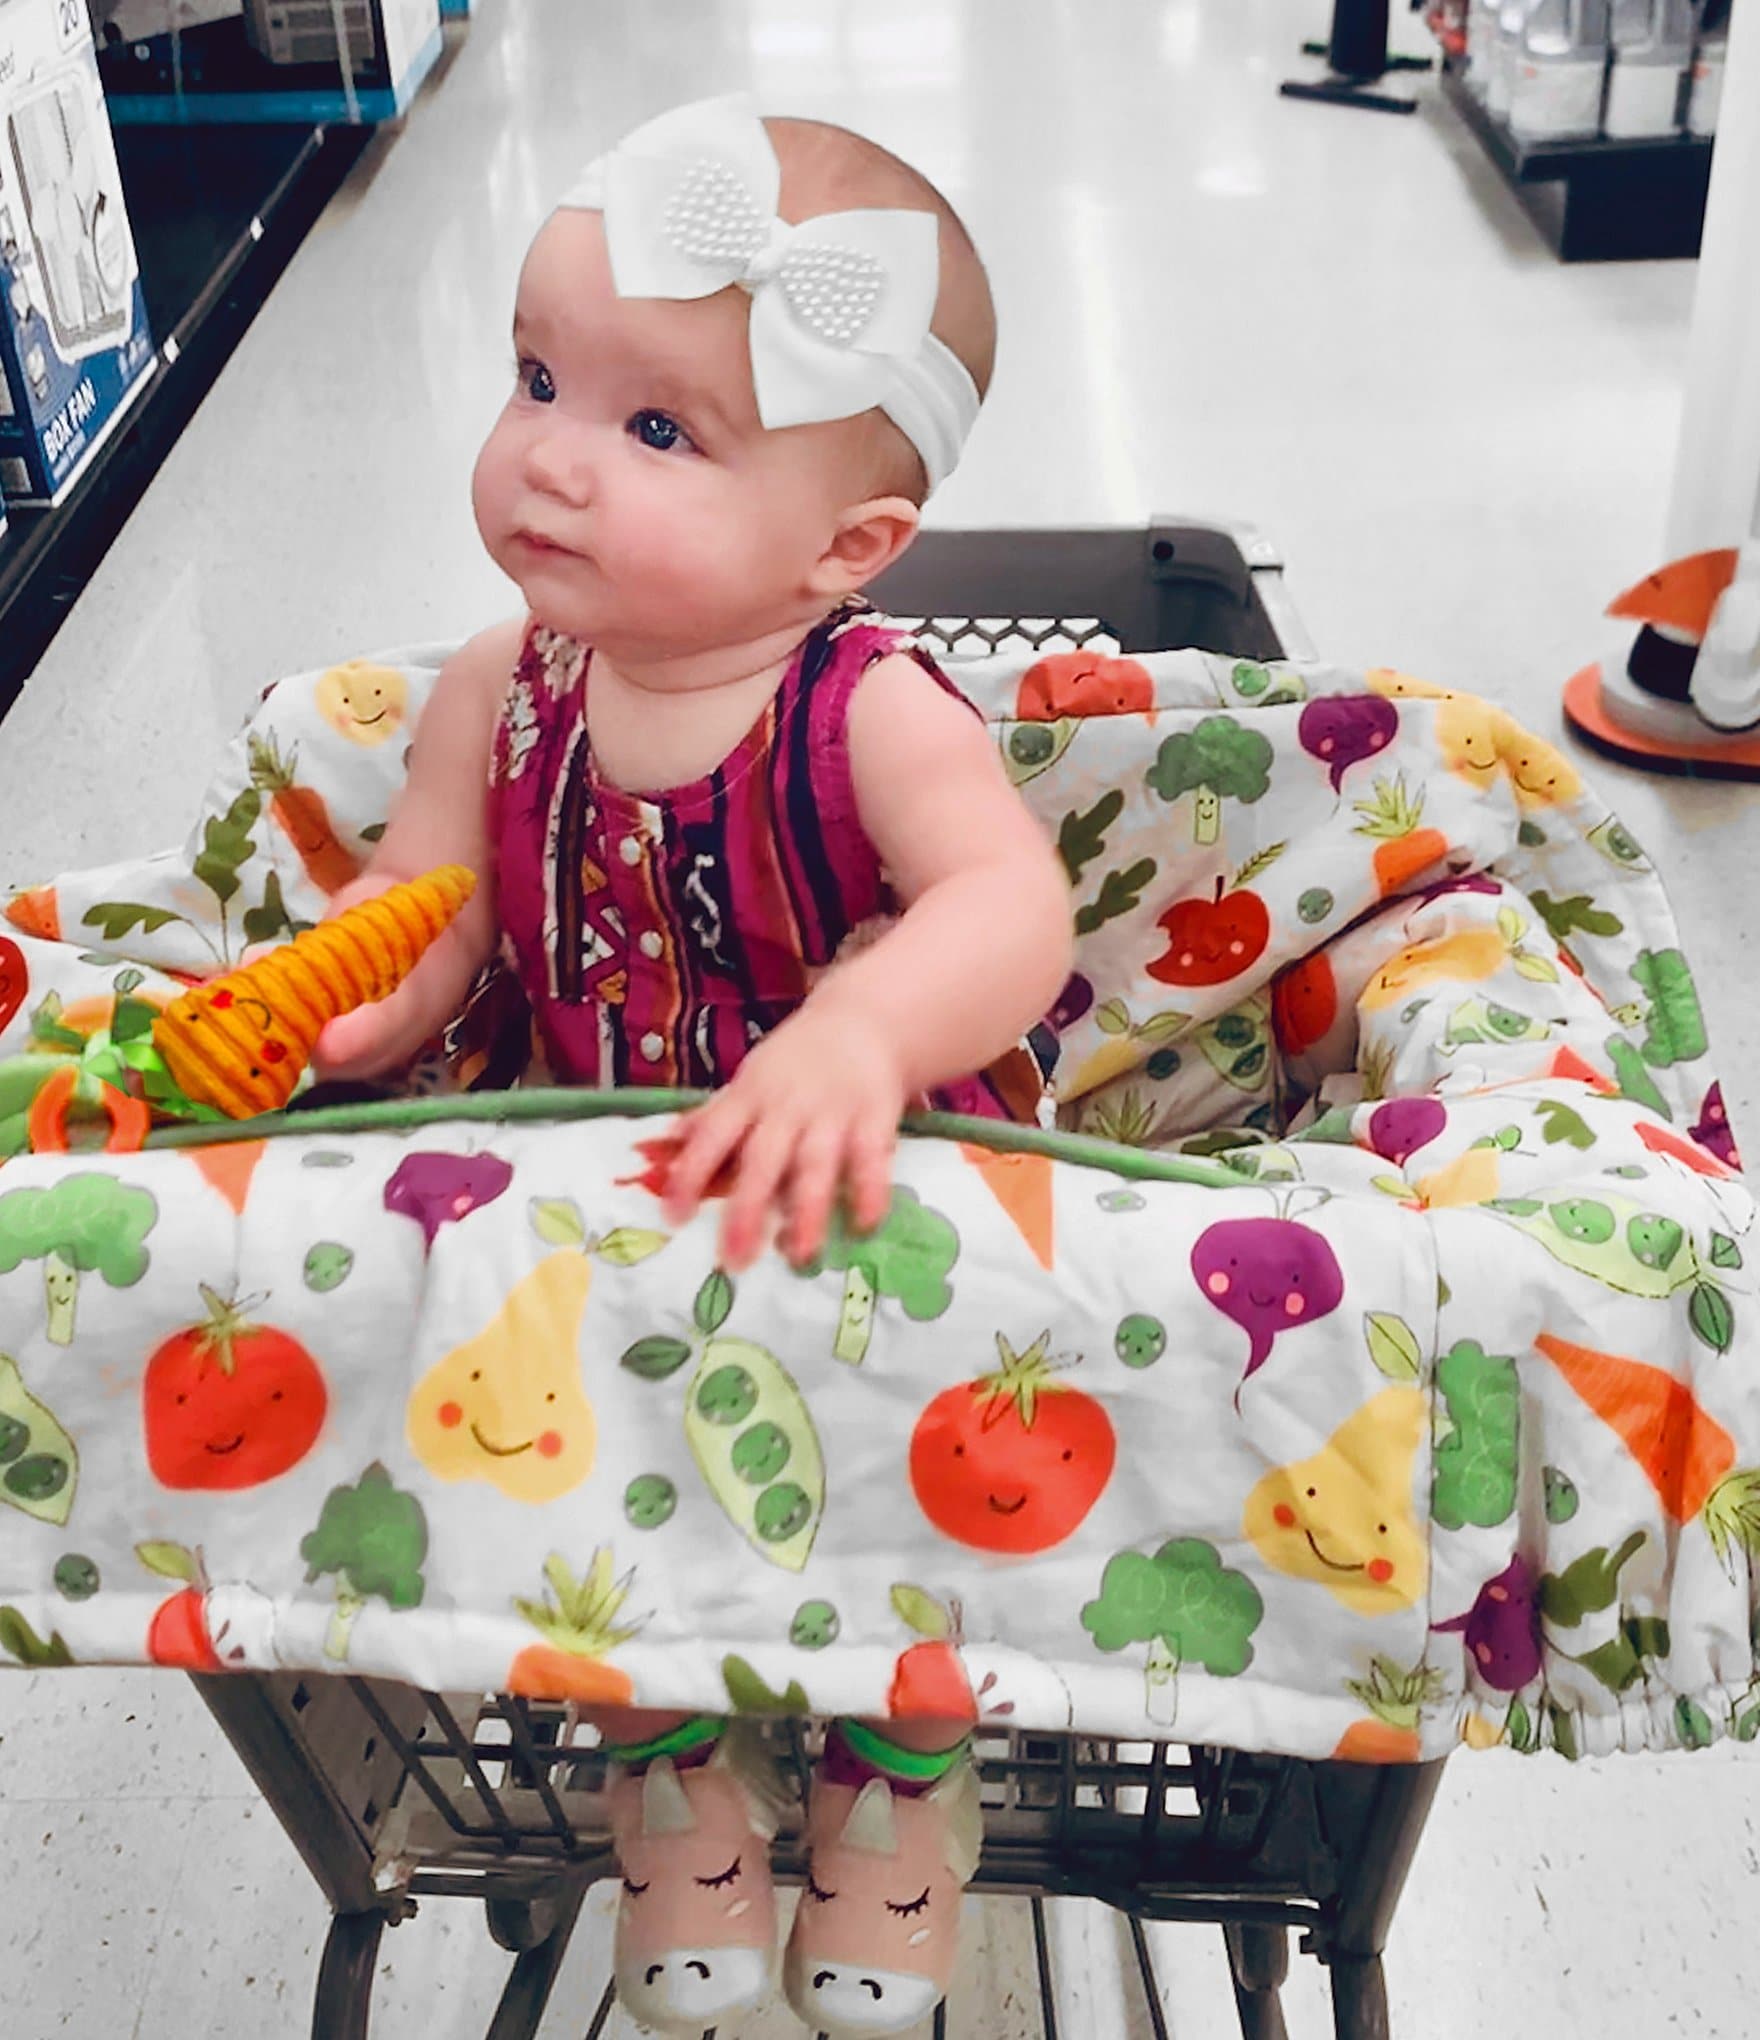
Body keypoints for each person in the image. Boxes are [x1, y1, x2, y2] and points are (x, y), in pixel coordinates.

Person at [310, 93, 1071, 1279]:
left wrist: (864, 1037)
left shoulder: (870, 714)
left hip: (857, 1201)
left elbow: (1012, 903)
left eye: (658, 429)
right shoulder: (496, 688)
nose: (551, 459)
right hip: (575, 1204)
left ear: (846, 550)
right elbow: (427, 894)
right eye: (539, 379)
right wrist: (360, 1000)